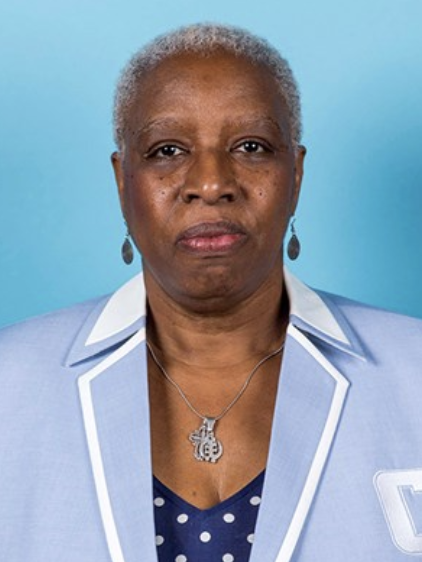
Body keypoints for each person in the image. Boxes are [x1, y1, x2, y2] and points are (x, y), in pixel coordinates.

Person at [1, 23, 421, 562]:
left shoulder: (414, 374)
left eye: (251, 146)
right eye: (167, 150)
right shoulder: (9, 385)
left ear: (295, 173)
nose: (211, 183)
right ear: (123, 181)